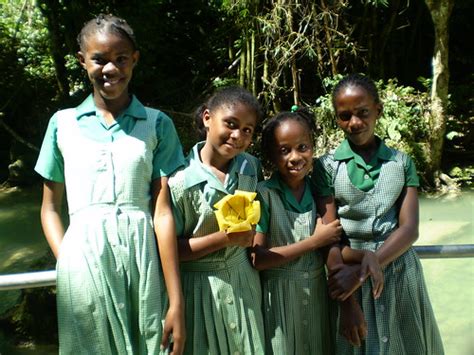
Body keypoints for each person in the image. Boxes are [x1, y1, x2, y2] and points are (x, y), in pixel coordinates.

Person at [35, 14, 185, 354]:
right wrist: (68, 261)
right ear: (82, 61)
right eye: (99, 59)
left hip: (143, 257)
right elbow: (49, 208)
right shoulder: (63, 124)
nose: (110, 69)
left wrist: (176, 301)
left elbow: (161, 213)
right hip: (82, 262)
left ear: (134, 60)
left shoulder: (156, 124)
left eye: (121, 59)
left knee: (151, 343)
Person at [313, 73, 444, 354]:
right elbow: (330, 238)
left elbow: (409, 229)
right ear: (336, 118)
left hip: (398, 271)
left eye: (363, 113)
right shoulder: (325, 168)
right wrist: (346, 300)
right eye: (344, 116)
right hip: (347, 275)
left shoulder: (401, 162)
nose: (354, 123)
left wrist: (366, 270)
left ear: (378, 110)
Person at [168, 86, 265, 355]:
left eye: (247, 130)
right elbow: (169, 250)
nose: (238, 136)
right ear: (207, 118)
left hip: (244, 284)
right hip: (199, 291)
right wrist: (225, 238)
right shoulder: (179, 181)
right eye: (231, 124)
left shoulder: (251, 168)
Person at [249, 109, 342, 354]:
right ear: (271, 155)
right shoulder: (264, 194)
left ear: (313, 147)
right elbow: (258, 258)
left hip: (317, 295)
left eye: (303, 147)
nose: (295, 157)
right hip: (278, 299)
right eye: (284, 150)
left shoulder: (319, 192)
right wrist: (313, 242)